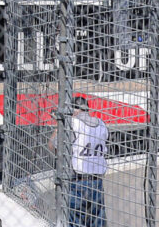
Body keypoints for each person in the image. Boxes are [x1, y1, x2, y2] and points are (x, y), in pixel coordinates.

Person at [67, 96, 109, 227]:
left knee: (76, 220)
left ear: (74, 110)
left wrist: (59, 126)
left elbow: (53, 146)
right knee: (97, 220)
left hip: (77, 180)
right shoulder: (101, 124)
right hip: (97, 180)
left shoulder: (73, 123)